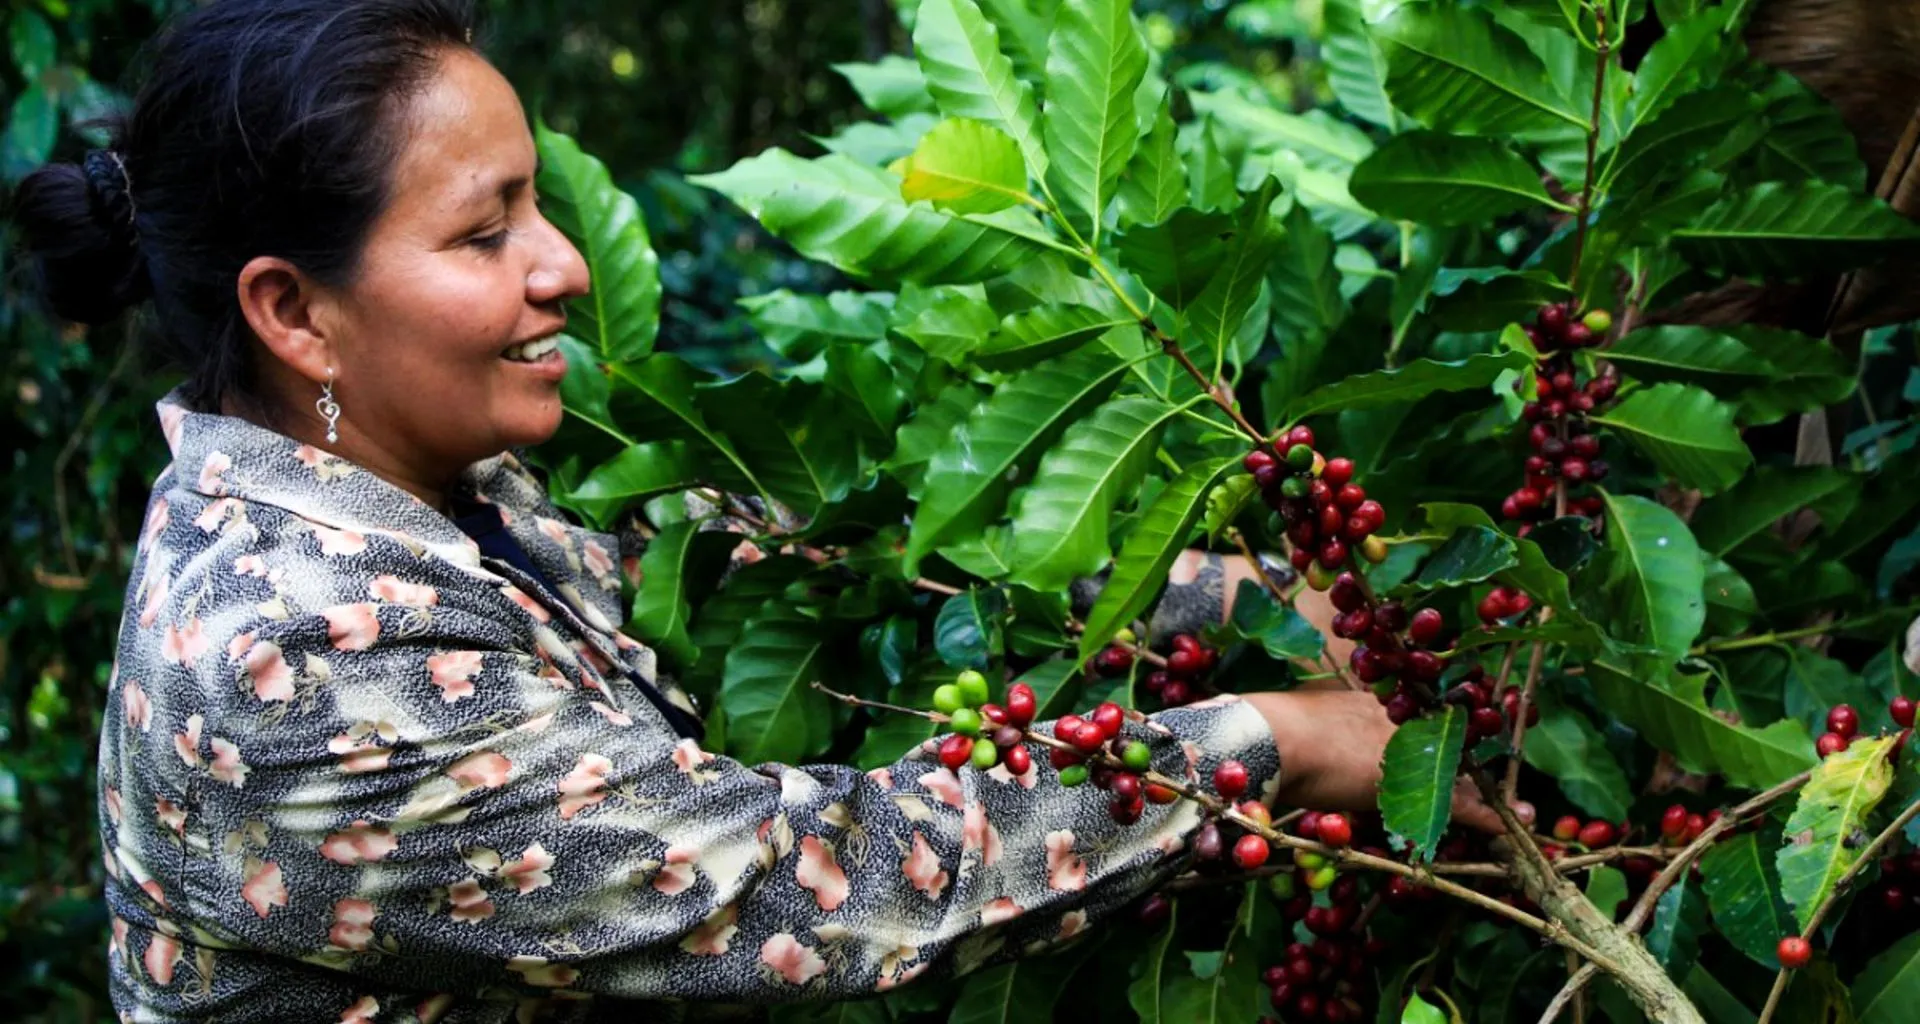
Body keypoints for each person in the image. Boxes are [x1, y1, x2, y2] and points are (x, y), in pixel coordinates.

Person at [14, 1, 1490, 1019]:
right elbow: (787, 891)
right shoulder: (295, 658)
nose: (563, 266)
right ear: (295, 313)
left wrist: (1246, 599)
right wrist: (1269, 742)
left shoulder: (438, 482)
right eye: (484, 232)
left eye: (535, 204)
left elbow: (776, 558)